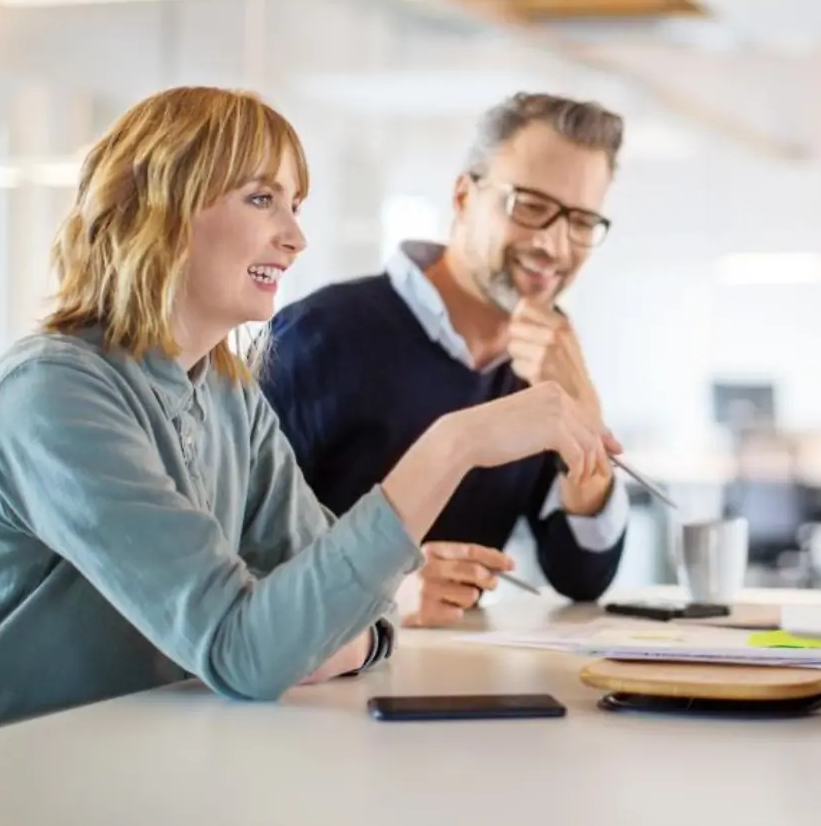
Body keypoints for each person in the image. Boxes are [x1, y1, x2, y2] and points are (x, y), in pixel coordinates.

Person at [0, 87, 615, 742]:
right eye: (262, 199)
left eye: (295, 206)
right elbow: (253, 652)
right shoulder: (54, 393)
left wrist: (328, 627)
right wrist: (454, 445)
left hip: (119, 747)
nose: (295, 237)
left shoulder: (231, 393)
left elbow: (349, 604)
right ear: (158, 209)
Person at [260, 92, 628, 626]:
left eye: (581, 221)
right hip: (308, 689)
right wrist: (380, 592)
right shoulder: (317, 335)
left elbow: (580, 574)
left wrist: (582, 409)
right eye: (530, 206)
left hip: (454, 688)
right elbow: (238, 547)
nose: (555, 244)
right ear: (463, 197)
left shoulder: (540, 369)